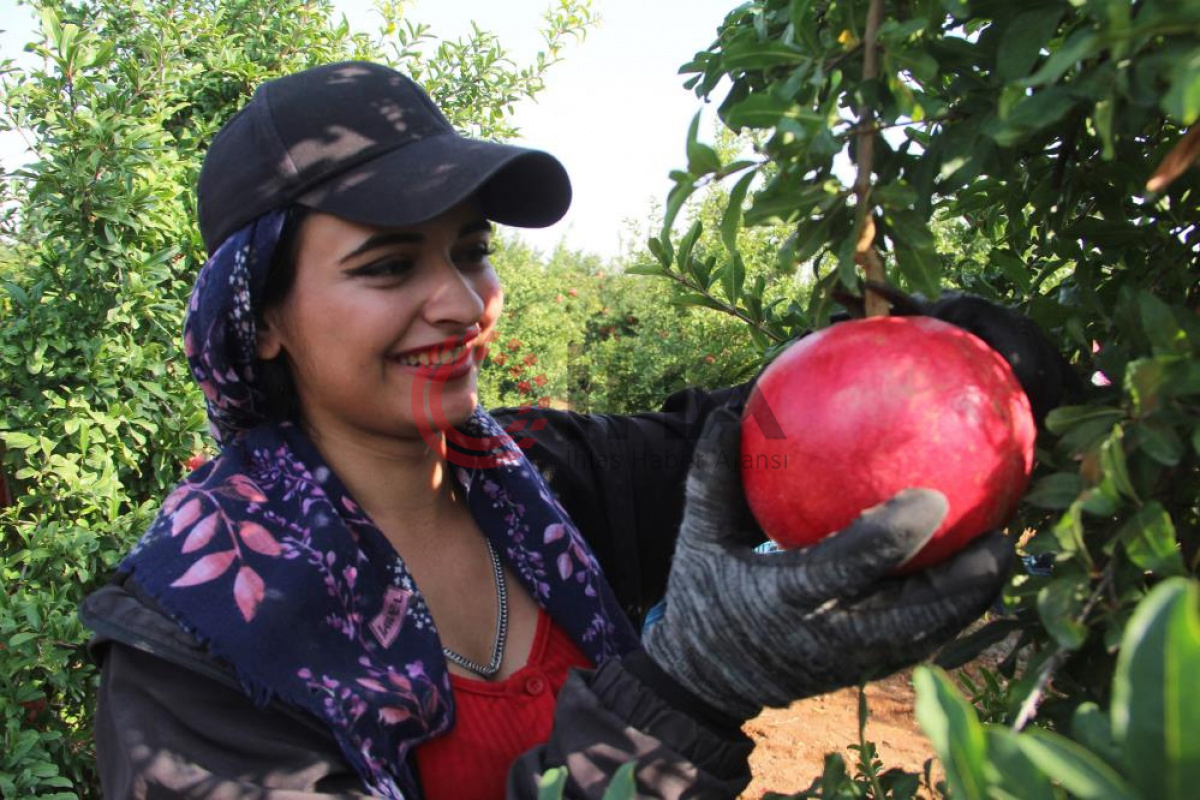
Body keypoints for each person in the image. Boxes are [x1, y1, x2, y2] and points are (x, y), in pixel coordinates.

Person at [80, 61, 1069, 799]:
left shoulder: (542, 484)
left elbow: (735, 439)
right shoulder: (193, 642)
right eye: (388, 267)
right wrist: (684, 690)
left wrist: (941, 364)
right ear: (259, 322)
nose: (461, 300)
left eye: (471, 249)